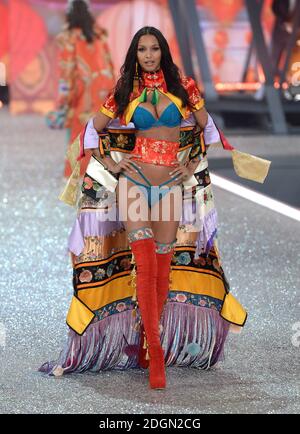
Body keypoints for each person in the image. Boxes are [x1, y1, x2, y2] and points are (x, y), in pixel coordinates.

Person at [39, 26, 270, 390]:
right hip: (134, 183)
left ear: (163, 51)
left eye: (155, 49)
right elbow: (91, 130)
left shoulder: (184, 87)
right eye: (143, 49)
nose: (149, 55)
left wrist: (191, 164)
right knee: (144, 264)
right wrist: (112, 164)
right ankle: (158, 353)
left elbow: (205, 131)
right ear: (135, 53)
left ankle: (147, 342)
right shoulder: (124, 90)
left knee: (163, 269)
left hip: (171, 185)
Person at [47, 0, 115, 177]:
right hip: (104, 88)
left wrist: (62, 103)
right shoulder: (99, 34)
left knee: (80, 134)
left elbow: (67, 71)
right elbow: (109, 64)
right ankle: (104, 173)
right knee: (103, 132)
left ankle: (79, 176)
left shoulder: (68, 37)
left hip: (82, 92)